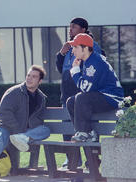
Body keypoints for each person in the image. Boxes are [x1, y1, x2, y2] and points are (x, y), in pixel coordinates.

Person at [0, 65, 51, 181]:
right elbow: (3, 112)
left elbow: (37, 119)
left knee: (45, 130)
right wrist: (16, 130)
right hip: (4, 127)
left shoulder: (41, 98)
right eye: (28, 75)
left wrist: (28, 131)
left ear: (40, 81)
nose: (29, 78)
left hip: (23, 133)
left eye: (34, 77)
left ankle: (23, 138)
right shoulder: (14, 92)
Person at [55, 17, 102, 169]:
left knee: (87, 128)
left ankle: (92, 161)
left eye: (74, 27)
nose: (70, 30)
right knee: (68, 131)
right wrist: (61, 54)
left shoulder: (91, 46)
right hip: (66, 97)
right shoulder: (69, 47)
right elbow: (61, 70)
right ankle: (72, 160)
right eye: (70, 27)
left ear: (83, 30)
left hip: (84, 98)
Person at [67, 33, 124, 142]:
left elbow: (85, 88)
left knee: (81, 97)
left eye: (75, 47)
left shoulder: (95, 62)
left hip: (112, 98)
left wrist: (75, 71)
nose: (73, 51)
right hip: (101, 95)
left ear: (86, 48)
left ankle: (84, 133)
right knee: (71, 101)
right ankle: (86, 131)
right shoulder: (88, 61)